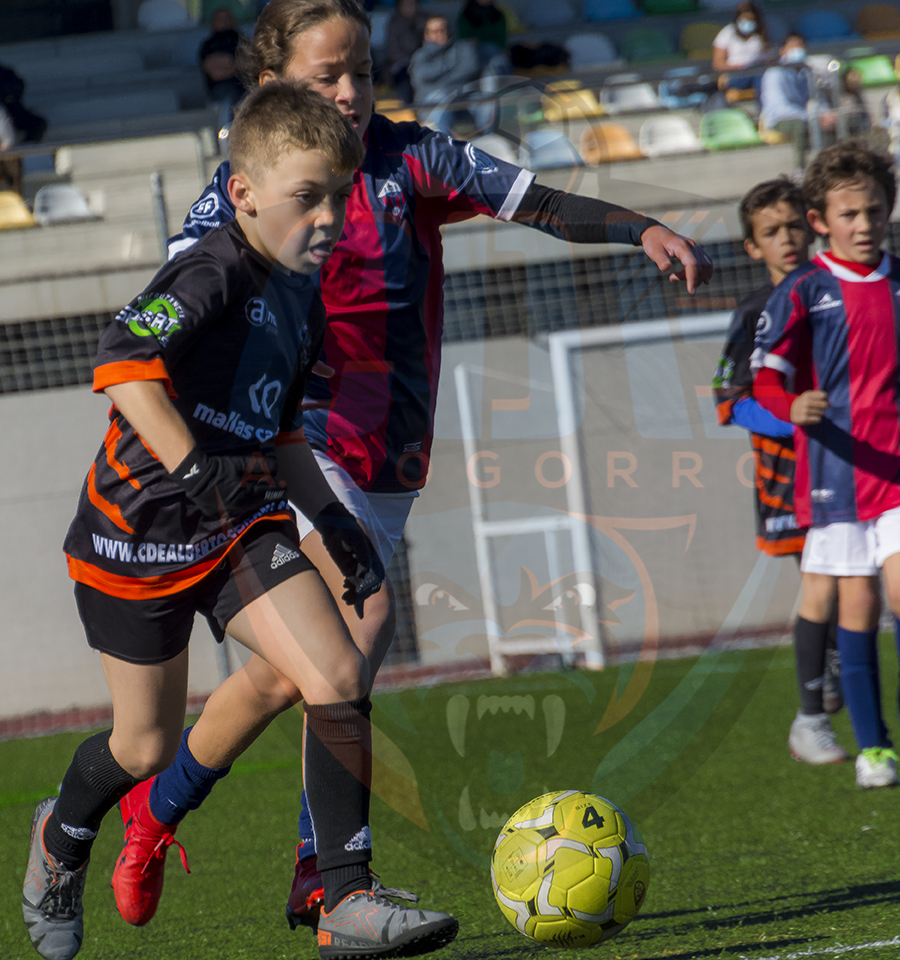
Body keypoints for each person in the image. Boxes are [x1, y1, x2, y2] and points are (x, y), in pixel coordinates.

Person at [107, 0, 713, 949]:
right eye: (325, 77)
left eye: (360, 72)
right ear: (271, 88)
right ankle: (332, 882)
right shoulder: (246, 196)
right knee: (364, 619)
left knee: (288, 679)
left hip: (393, 452)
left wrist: (639, 229)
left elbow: (536, 202)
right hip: (300, 439)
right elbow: (176, 305)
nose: (350, 91)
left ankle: (156, 811)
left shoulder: (412, 158)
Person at [20, 82, 458, 960]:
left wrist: (331, 520)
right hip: (134, 538)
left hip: (237, 527)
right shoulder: (210, 269)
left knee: (335, 669)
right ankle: (60, 838)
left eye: (338, 196)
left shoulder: (305, 297)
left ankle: (345, 898)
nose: (327, 217)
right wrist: (192, 468)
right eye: (307, 197)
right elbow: (124, 363)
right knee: (143, 747)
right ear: (244, 193)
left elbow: (282, 427)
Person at [751, 140, 900, 789]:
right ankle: (873, 746)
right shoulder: (803, 290)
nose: (864, 225)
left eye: (875, 212)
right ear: (819, 221)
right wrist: (790, 404)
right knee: (857, 604)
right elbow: (765, 380)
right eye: (850, 214)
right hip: (834, 472)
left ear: (889, 210)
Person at [713, 177, 846, 767]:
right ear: (752, 247)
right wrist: (792, 420)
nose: (786, 239)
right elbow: (729, 402)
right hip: (790, 474)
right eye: (771, 232)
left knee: (854, 582)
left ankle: (834, 681)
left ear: (812, 227)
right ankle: (812, 712)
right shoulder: (753, 311)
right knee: (823, 580)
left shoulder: (841, 293)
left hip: (851, 463)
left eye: (794, 226)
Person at [759, 32, 835, 173]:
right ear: (782, 51)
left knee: (835, 123)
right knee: (800, 125)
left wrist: (826, 113)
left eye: (800, 46)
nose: (797, 50)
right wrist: (812, 117)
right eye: (793, 47)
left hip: (806, 116)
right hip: (779, 120)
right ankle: (799, 170)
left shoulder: (807, 72)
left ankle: (830, 165)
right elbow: (779, 108)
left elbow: (817, 99)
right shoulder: (774, 73)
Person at [409, 15, 483, 133]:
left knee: (487, 103)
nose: (439, 34)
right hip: (434, 100)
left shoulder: (463, 48)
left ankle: (489, 140)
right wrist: (448, 66)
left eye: (442, 30)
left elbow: (470, 69)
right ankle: (443, 143)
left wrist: (440, 80)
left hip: (464, 96)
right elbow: (420, 78)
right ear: (426, 35)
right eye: (434, 31)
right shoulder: (420, 55)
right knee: (441, 99)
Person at [711, 0, 772, 101]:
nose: (747, 22)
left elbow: (768, 56)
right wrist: (738, 66)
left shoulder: (760, 34)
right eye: (744, 19)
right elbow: (717, 63)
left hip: (757, 71)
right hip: (735, 74)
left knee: (765, 77)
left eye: (751, 20)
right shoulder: (728, 32)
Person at [199, 7, 247, 131]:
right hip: (222, 89)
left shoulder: (243, 41)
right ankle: (227, 134)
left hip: (246, 85)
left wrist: (228, 63)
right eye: (220, 19)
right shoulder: (208, 45)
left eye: (227, 18)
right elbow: (214, 72)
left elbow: (251, 64)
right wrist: (236, 64)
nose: (225, 22)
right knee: (229, 100)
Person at [383, 0, 427, 103]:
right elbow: (393, 51)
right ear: (399, 6)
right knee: (405, 80)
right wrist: (411, 62)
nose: (410, 7)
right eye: (406, 5)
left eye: (413, 4)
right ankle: (406, 106)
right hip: (402, 65)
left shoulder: (425, 21)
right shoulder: (394, 23)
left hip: (425, 63)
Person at [456, 0, 509, 71]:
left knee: (497, 60)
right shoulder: (465, 16)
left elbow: (502, 39)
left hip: (494, 51)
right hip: (474, 52)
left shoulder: (498, 15)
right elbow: (465, 38)